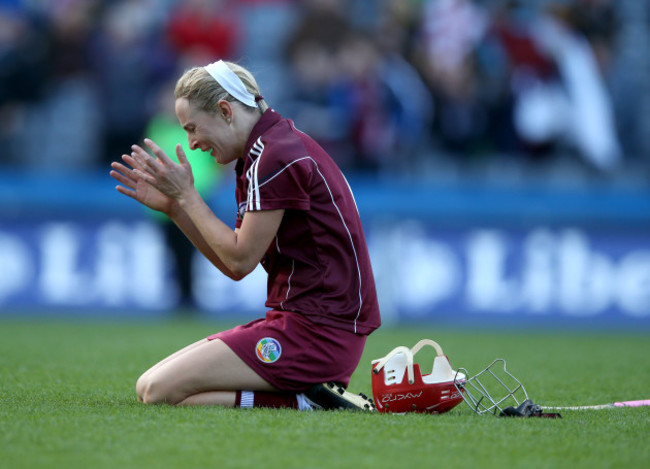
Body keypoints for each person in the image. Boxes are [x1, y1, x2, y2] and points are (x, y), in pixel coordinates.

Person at [109, 60, 381, 410]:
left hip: (318, 334)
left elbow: (239, 260)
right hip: (306, 324)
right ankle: (305, 399)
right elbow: (231, 263)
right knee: (150, 386)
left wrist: (188, 197)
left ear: (225, 110)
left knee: (158, 391)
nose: (191, 144)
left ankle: (309, 402)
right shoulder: (269, 148)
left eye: (192, 128)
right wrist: (176, 208)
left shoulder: (275, 155)